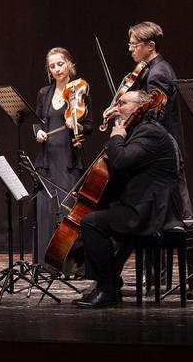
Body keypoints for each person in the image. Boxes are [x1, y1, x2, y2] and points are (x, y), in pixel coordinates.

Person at [76, 90, 181, 308]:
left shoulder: (149, 132)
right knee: (98, 217)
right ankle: (108, 284)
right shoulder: (139, 130)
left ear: (139, 108)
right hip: (140, 205)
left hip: (149, 212)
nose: (117, 108)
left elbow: (122, 161)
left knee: (90, 224)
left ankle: (107, 289)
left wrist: (116, 136)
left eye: (122, 103)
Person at [118, 21, 192, 217]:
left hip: (162, 147)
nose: (130, 49)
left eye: (135, 44)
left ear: (150, 46)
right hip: (163, 145)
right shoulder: (152, 69)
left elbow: (154, 114)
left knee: (168, 205)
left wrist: (125, 121)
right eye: (130, 44)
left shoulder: (157, 73)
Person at [33, 47, 94, 265]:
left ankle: (69, 264)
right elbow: (38, 122)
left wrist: (75, 124)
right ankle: (45, 263)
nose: (57, 69)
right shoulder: (44, 93)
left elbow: (90, 125)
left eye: (60, 64)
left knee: (68, 214)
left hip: (69, 160)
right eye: (52, 66)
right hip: (48, 160)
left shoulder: (79, 90)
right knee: (46, 212)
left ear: (69, 63)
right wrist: (38, 132)